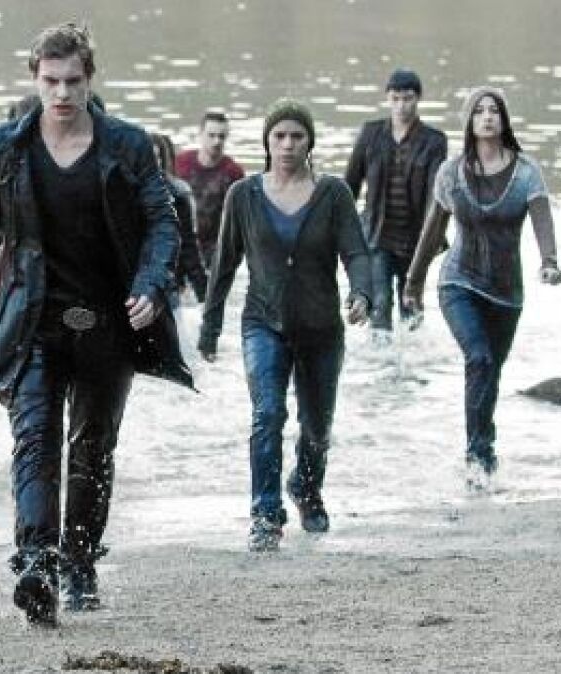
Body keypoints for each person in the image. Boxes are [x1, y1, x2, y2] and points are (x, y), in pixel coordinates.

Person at [0, 23, 192, 626]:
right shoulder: (4, 147)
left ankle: (80, 563)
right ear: (34, 79)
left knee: (93, 448)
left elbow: (163, 222)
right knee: (35, 441)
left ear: (90, 79)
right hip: (33, 318)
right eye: (51, 81)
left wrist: (152, 283)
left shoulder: (126, 144)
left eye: (73, 81)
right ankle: (37, 564)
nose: (63, 93)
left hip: (107, 319)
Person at [198, 99, 371, 553]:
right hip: (263, 323)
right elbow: (224, 264)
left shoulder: (333, 194)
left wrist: (362, 293)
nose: (288, 144)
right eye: (280, 136)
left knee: (316, 427)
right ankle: (265, 514)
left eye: (297, 136)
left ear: (309, 142)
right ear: (267, 142)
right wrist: (210, 327)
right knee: (268, 414)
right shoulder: (244, 195)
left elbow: (356, 252)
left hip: (321, 328)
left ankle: (306, 488)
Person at [403, 86, 561, 489]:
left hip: (507, 293)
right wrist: (413, 284)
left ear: (504, 120)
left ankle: (483, 450)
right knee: (479, 358)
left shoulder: (526, 172)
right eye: (479, 111)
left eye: (494, 111)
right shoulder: (452, 173)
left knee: (490, 372)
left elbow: (542, 219)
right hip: (459, 282)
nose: (487, 117)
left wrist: (549, 261)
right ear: (469, 121)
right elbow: (432, 230)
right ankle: (477, 458)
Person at [345, 68, 448, 341]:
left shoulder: (434, 141)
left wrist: (432, 237)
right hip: (377, 235)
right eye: (396, 99)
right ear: (387, 98)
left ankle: (413, 360)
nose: (401, 106)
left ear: (418, 99)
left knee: (411, 307)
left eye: (408, 99)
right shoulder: (370, 134)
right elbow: (350, 184)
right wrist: (338, 229)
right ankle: (380, 361)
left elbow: (436, 195)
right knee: (379, 304)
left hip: (416, 239)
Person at [174, 112, 245, 270]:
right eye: (211, 135)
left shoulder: (233, 172)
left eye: (221, 136)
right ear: (200, 135)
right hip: (181, 241)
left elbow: (240, 218)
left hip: (214, 248)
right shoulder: (180, 163)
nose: (216, 141)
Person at [151, 132, 208, 302]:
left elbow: (188, 244)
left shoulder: (178, 196)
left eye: (156, 157)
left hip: (169, 286)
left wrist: (203, 292)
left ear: (162, 161)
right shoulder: (122, 196)